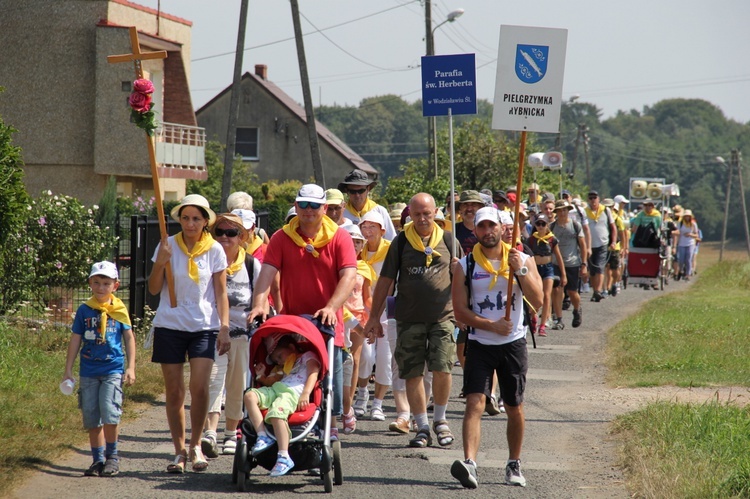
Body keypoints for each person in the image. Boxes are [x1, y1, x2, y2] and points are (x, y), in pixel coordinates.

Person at [247, 184, 357, 441]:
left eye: (315, 205)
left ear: (325, 208)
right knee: (290, 378)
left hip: (327, 323)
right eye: (303, 205)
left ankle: (328, 434)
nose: (309, 210)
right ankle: (285, 432)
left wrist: (331, 307)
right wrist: (260, 304)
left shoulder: (339, 237)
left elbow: (349, 275)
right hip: (293, 325)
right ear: (296, 206)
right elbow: (267, 273)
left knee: (328, 389)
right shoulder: (281, 237)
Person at [450, 207, 543, 489]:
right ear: (475, 231)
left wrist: (522, 270)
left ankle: (514, 464)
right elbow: (459, 311)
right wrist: (491, 326)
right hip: (480, 343)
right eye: (482, 227)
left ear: (503, 229)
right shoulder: (464, 266)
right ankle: (470, 464)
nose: (487, 231)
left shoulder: (523, 258)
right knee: (474, 403)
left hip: (513, 343)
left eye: (493, 226)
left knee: (514, 406)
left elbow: (537, 300)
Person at [363, 193, 460, 449]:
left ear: (436, 212)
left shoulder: (449, 240)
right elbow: (385, 282)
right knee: (413, 372)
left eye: (427, 213)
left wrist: (464, 310)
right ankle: (422, 425)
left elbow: (462, 279)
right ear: (410, 214)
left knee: (442, 368)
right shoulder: (401, 241)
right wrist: (374, 317)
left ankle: (440, 420)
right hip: (408, 318)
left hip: (443, 317)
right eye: (416, 214)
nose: (422, 219)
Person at [148, 194, 230, 473]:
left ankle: (196, 445)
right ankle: (179, 450)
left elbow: (220, 291)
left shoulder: (215, 249)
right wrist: (160, 262)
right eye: (185, 218)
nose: (190, 223)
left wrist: (225, 326)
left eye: (196, 218)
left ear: (206, 221)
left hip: (203, 327)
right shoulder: (167, 245)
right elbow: (153, 288)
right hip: (170, 325)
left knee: (199, 387)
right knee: (174, 391)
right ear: (179, 220)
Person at [63, 261, 135, 477]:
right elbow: (75, 339)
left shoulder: (119, 310)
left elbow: (129, 338)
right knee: (92, 417)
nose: (101, 288)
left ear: (115, 285)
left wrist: (130, 367)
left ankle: (112, 457)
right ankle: (98, 460)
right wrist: (68, 369)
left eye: (106, 283)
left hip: (113, 368)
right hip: (89, 371)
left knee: (110, 413)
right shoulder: (85, 310)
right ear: (90, 283)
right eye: (97, 282)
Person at [200, 213, 260, 457]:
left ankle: (230, 433)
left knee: (237, 385)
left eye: (232, 232)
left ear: (241, 237)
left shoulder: (251, 265)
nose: (225, 237)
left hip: (242, 335)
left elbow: (261, 296)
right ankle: (210, 433)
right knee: (213, 381)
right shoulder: (207, 260)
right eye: (219, 232)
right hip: (211, 332)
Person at [245, 334, 321, 476]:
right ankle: (262, 435)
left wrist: (305, 393)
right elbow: (270, 382)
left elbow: (313, 373)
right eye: (275, 360)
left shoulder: (307, 356)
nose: (278, 361)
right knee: (249, 395)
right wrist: (261, 375)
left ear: (291, 347)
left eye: (279, 356)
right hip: (276, 388)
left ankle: (284, 456)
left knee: (276, 413)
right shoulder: (281, 368)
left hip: (292, 392)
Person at [354, 211, 393, 424]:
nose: (368, 232)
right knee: (366, 357)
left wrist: (382, 313)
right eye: (365, 227)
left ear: (382, 230)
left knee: (384, 359)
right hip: (363, 312)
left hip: (387, 310)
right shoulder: (357, 250)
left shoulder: (391, 250)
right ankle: (362, 394)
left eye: (373, 227)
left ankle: (377, 404)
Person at [550, 200, 587, 329]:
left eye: (564, 209)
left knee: (572, 292)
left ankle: (577, 309)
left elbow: (583, 245)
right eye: (559, 210)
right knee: (557, 289)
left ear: (568, 211)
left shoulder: (575, 225)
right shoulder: (552, 227)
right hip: (555, 264)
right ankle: (559, 319)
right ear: (556, 212)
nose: (562, 212)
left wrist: (584, 264)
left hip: (572, 263)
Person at [527, 213, 565, 336]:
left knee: (547, 296)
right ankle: (533, 316)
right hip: (535, 269)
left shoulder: (552, 239)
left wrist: (563, 275)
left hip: (548, 268)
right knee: (535, 295)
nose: (541, 226)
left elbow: (559, 257)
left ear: (547, 225)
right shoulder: (531, 239)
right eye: (538, 223)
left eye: (543, 224)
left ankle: (542, 325)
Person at [338, 169, 397, 240]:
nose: (357, 195)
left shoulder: (380, 211)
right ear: (347, 191)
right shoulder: (341, 213)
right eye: (352, 191)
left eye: (361, 191)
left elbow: (391, 240)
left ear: (368, 189)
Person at [585, 191, 617, 302]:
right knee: (593, 270)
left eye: (595, 197)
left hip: (603, 243)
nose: (593, 200)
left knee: (599, 267)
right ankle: (595, 291)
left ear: (599, 199)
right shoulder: (585, 212)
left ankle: (598, 291)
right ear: (588, 200)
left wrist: (613, 242)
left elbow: (613, 228)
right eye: (591, 198)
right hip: (589, 245)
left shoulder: (606, 210)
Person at [455, 190, 484, 255]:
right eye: (465, 205)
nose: (469, 209)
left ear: (480, 208)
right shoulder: (452, 231)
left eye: (474, 205)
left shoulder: (487, 231)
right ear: (460, 209)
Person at [674, 209, 699, 281]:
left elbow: (696, 235)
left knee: (688, 259)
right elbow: (678, 231)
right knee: (681, 259)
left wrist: (690, 234)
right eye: (686, 216)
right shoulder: (681, 223)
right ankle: (680, 270)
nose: (687, 218)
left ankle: (688, 274)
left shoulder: (693, 224)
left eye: (688, 216)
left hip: (690, 243)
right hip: (682, 243)